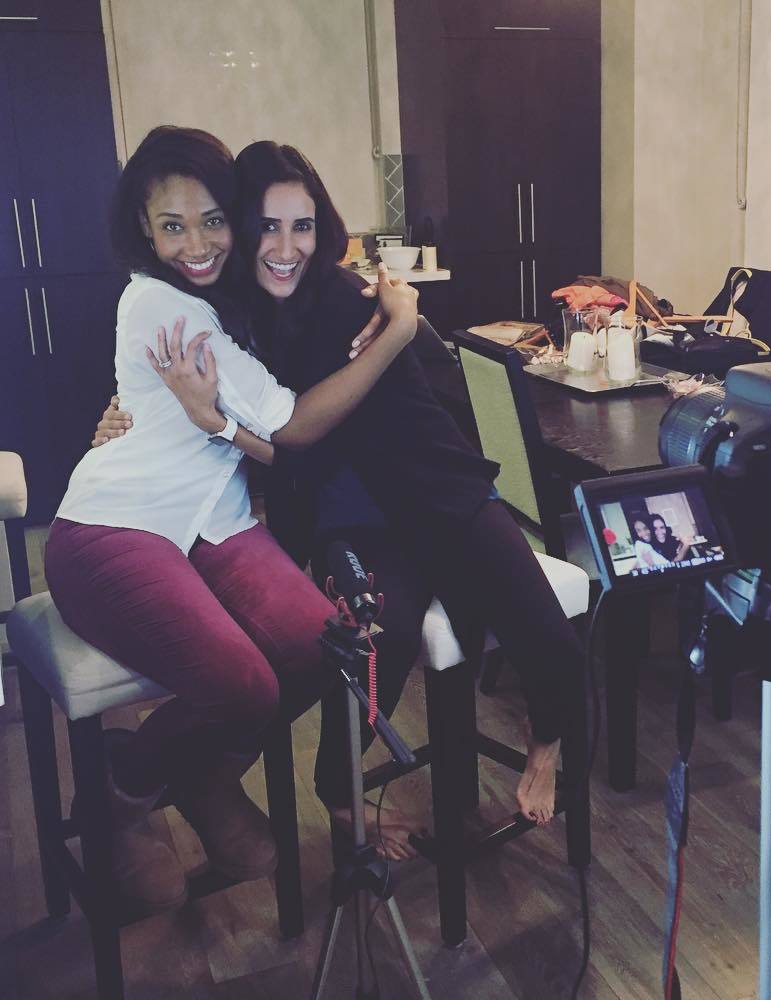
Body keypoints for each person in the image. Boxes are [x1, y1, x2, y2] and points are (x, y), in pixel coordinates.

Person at [93, 140, 585, 848]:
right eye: (267, 227)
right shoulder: (235, 313)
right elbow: (283, 435)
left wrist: (399, 325)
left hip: (433, 488)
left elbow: (304, 437)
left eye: (303, 226)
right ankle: (341, 798)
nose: (285, 248)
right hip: (354, 514)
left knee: (550, 638)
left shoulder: (351, 305)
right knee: (372, 649)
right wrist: (130, 413)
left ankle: (546, 740)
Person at [46, 126, 419, 913]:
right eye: (172, 225)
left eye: (213, 220)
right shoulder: (165, 305)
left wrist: (376, 288)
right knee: (243, 685)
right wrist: (398, 334)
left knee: (318, 648)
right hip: (116, 527)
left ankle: (204, 780)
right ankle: (123, 791)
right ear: (144, 229)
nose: (197, 244)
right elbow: (290, 424)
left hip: (216, 520)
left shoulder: (238, 297)